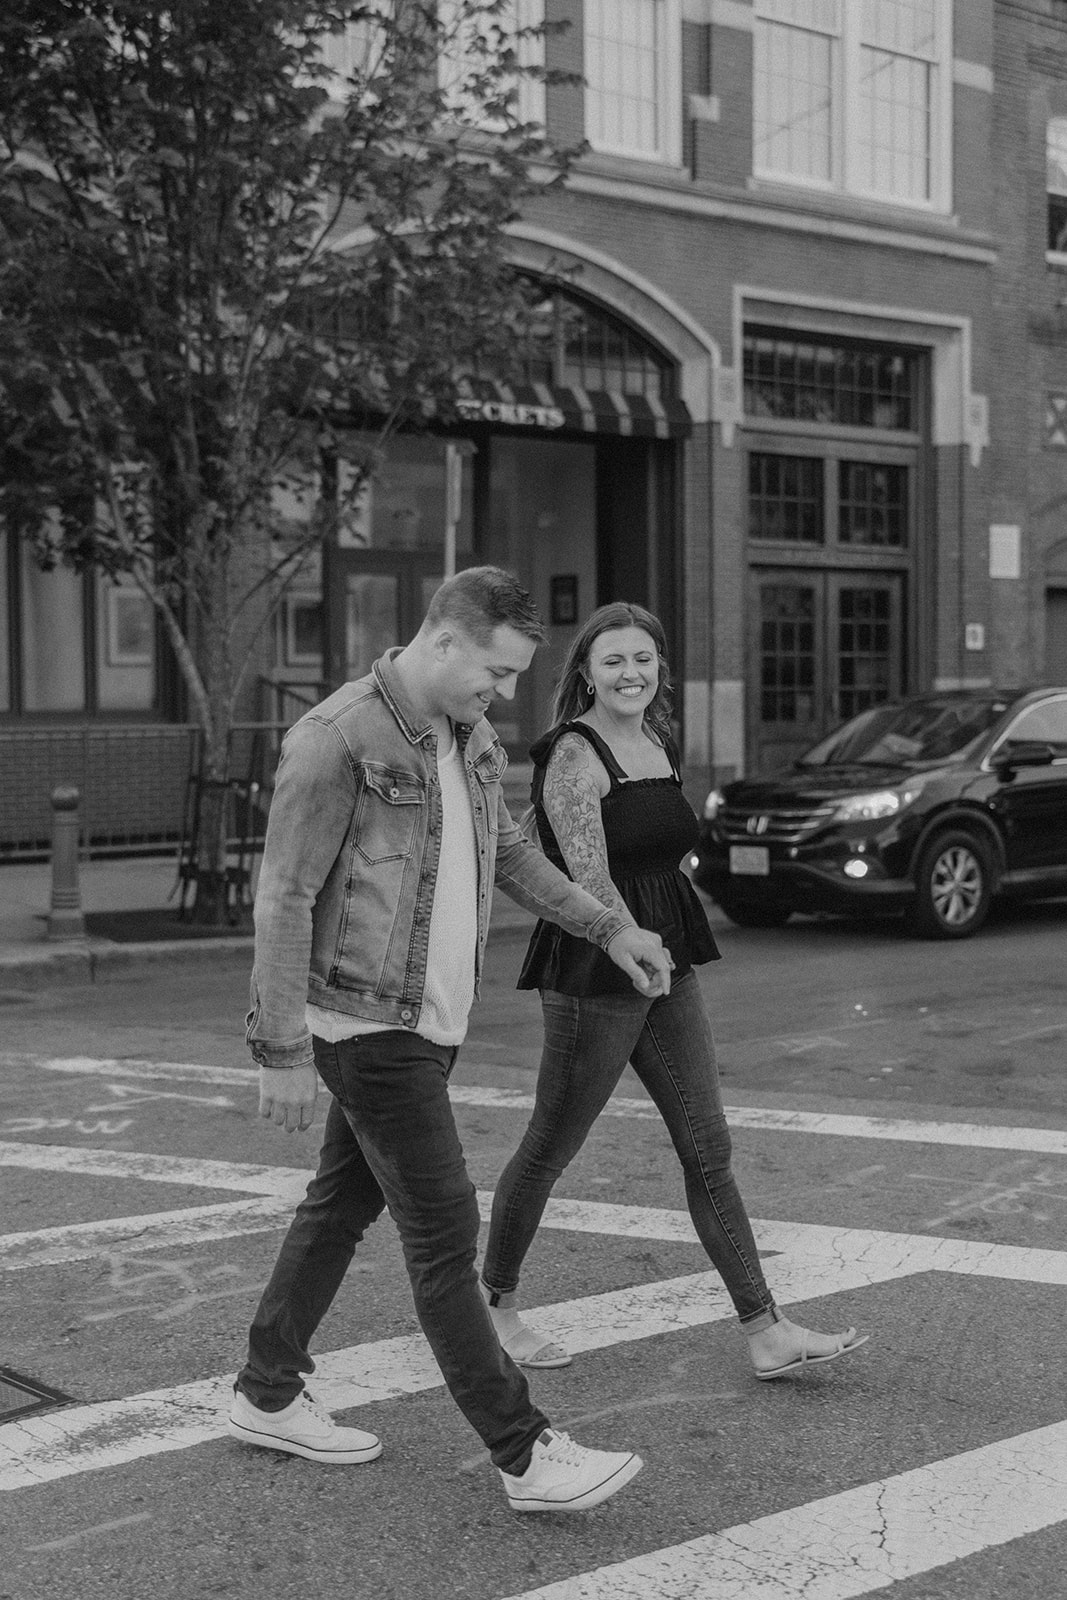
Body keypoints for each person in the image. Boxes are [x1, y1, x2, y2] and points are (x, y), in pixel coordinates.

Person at [228, 567, 674, 1514]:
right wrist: (281, 1052)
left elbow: (508, 852)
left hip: (429, 1023)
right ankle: (525, 1453)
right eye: (496, 672)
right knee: (443, 1237)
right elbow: (284, 896)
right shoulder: (336, 739)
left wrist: (608, 926)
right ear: (443, 643)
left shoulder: (464, 734)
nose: (504, 694)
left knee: (338, 1209)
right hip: (366, 1025)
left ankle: (266, 1391)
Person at [479, 601, 869, 1381]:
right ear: (585, 670)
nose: (630, 673)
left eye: (643, 659)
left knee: (706, 1147)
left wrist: (662, 949)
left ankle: (764, 1329)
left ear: (660, 668)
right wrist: (630, 946)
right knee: (550, 1146)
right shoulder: (572, 756)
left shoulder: (654, 741)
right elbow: (586, 879)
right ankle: (492, 1308)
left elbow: (660, 847)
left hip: (668, 958)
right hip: (599, 963)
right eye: (613, 660)